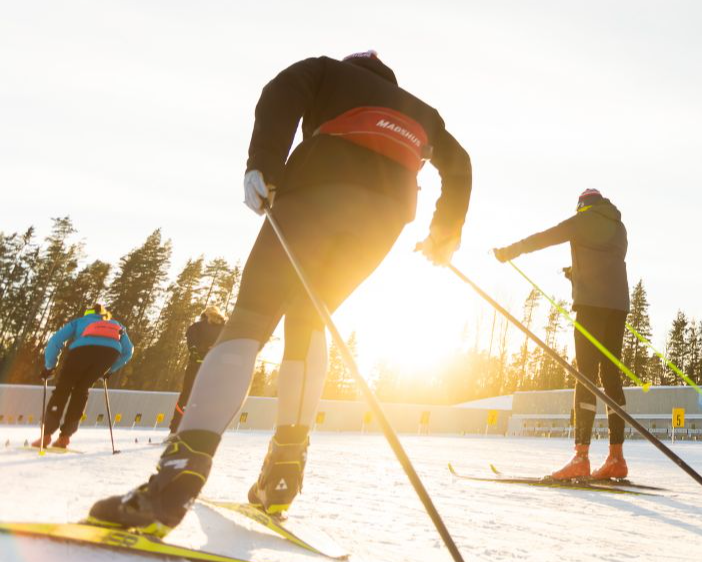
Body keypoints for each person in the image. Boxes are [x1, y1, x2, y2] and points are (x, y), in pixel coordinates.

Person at [89, 50, 472, 537]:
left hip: (319, 185)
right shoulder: (422, 111)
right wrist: (445, 232)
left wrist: (263, 165)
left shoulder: (326, 70)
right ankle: (283, 477)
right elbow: (459, 164)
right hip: (387, 210)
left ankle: (176, 480)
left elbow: (281, 91)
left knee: (252, 314)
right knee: (311, 318)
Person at [493, 189, 629, 480]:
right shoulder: (619, 227)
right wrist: (577, 274)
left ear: (582, 206)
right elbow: (606, 260)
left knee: (586, 376)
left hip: (591, 306)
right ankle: (616, 457)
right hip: (618, 307)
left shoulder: (581, 221)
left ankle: (581, 457)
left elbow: (545, 237)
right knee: (611, 376)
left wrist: (510, 252)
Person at [31, 304, 134, 449]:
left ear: (88, 313)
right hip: (109, 354)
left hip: (81, 352)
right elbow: (128, 351)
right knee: (81, 391)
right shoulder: (116, 325)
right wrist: (109, 371)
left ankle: (46, 436)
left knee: (63, 389)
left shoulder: (80, 321)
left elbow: (55, 341)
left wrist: (50, 366)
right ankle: (65, 438)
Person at [166, 306, 226, 436]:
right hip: (215, 367)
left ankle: (175, 429)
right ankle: (202, 431)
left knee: (186, 396)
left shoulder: (197, 326)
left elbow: (192, 341)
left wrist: (196, 351)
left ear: (205, 314)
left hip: (196, 365)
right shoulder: (224, 329)